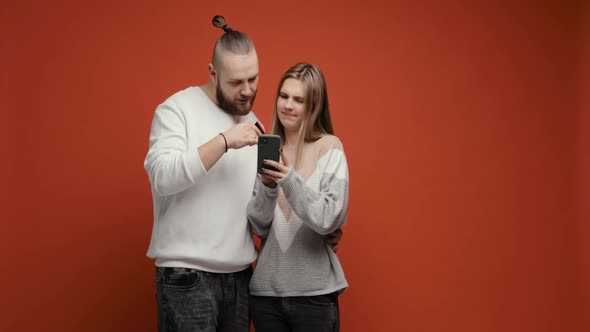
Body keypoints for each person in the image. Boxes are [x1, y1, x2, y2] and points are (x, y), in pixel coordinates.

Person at [143, 16, 342, 332]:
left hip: (240, 280)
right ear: (213, 72)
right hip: (187, 277)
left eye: (253, 79)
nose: (247, 90)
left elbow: (259, 213)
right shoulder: (177, 109)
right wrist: (224, 141)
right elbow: (162, 178)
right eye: (236, 82)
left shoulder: (255, 127)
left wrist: (318, 229)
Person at [247, 62, 350, 332]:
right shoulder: (266, 149)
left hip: (314, 295)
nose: (288, 105)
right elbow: (258, 226)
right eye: (284, 96)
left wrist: (288, 179)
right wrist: (268, 187)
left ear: (313, 105)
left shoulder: (330, 148)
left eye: (299, 100)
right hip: (266, 296)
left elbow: (328, 218)